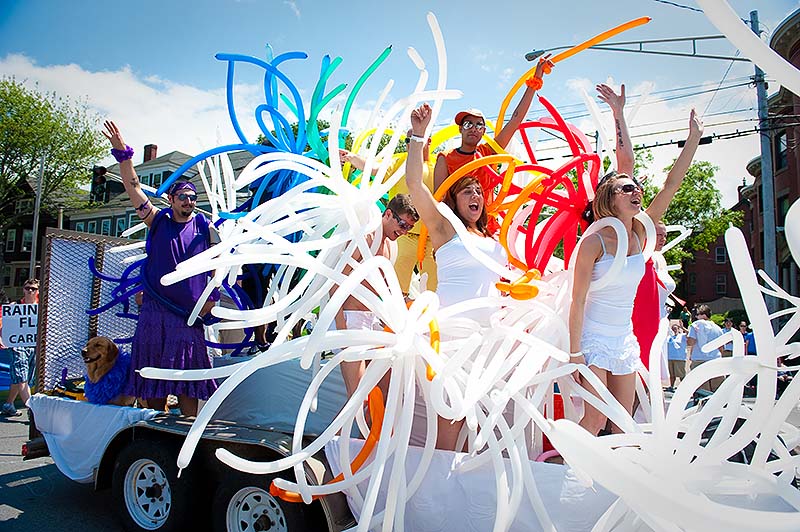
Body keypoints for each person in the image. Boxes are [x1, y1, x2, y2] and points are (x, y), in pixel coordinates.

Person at [569, 109, 704, 435]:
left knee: (623, 424)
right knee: (594, 419)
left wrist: (694, 140)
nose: (636, 192)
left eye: (637, 189)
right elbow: (577, 301)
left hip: (623, 339)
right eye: (627, 189)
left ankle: (614, 484)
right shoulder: (594, 243)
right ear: (610, 199)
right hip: (592, 340)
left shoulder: (641, 233)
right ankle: (566, 476)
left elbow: (672, 184)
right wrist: (574, 353)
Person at [407, 102, 508, 450]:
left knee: (477, 429)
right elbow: (414, 186)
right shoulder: (444, 229)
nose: (476, 195)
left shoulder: (492, 240)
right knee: (450, 423)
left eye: (479, 191)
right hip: (452, 341)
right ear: (453, 199)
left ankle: (461, 493)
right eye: (467, 191)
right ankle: (435, 496)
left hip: (489, 343)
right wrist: (418, 136)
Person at [102, 121, 218, 416]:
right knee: (154, 375)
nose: (189, 201)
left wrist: (213, 296)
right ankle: (156, 426)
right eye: (183, 197)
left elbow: (219, 262)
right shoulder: (158, 221)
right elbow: (133, 188)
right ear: (171, 199)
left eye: (193, 197)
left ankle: (190, 430)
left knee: (186, 377)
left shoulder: (205, 226)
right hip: (156, 309)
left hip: (187, 314)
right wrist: (123, 154)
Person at [433, 57, 554, 235]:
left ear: (484, 132)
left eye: (479, 125)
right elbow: (439, 200)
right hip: (458, 231)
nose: (473, 129)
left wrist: (536, 80)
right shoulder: (446, 158)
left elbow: (515, 120)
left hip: (488, 228)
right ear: (460, 129)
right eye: (468, 124)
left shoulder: (488, 154)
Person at [335, 194, 419, 398]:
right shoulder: (366, 239)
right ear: (388, 214)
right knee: (358, 396)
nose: (403, 231)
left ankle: (376, 430)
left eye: (409, 228)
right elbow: (335, 283)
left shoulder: (392, 245)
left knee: (384, 392)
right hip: (351, 319)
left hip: (371, 320)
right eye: (402, 224)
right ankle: (347, 431)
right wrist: (341, 326)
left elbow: (384, 289)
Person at [339, 131, 438, 293]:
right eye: (408, 139)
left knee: (434, 290)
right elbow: (374, 168)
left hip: (431, 239)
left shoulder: (438, 165)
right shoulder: (400, 163)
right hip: (404, 235)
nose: (410, 144)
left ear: (428, 141)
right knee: (396, 288)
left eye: (416, 139)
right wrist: (352, 157)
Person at [1, 279, 38, 417]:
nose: (30, 291)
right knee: (22, 378)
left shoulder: (40, 308)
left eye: (33, 289)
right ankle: (33, 411)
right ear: (23, 289)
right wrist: (2, 339)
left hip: (33, 346)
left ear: (37, 291)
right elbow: (3, 325)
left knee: (24, 378)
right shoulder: (14, 307)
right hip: (17, 346)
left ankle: (8, 404)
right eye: (27, 288)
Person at [686, 304, 724, 392]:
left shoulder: (695, 326)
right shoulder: (718, 328)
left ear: (700, 314)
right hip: (715, 359)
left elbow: (690, 342)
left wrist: (688, 336)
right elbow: (721, 347)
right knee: (717, 388)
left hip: (699, 359)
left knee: (702, 389)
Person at [666, 323, 688, 389]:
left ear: (678, 329)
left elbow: (689, 334)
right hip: (670, 358)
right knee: (672, 375)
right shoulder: (669, 337)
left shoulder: (682, 336)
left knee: (681, 374)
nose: (674, 330)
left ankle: (684, 387)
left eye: (676, 329)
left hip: (679, 358)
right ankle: (671, 386)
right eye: (673, 329)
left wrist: (683, 328)